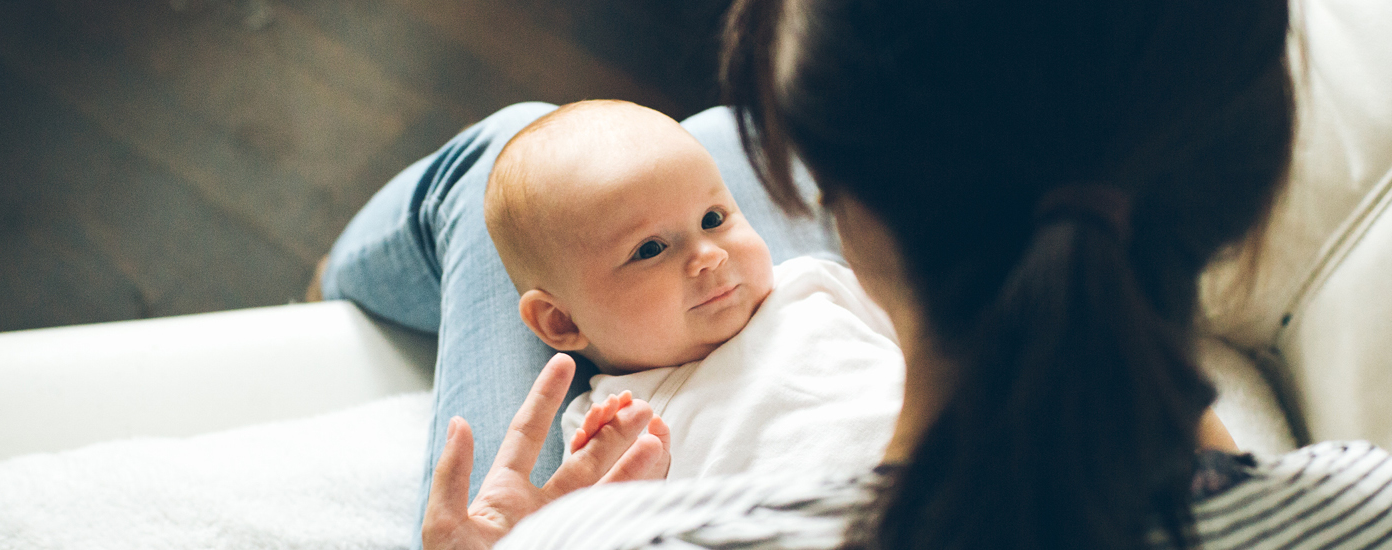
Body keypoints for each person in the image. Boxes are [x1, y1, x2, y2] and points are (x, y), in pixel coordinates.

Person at [325, 0, 1392, 548]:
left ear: (829, 205)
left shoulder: (614, 531)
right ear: (1248, 186)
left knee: (501, 151)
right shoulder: (1362, 508)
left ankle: (340, 278)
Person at [482, 99, 904, 479]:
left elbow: (935, 346)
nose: (709, 255)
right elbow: (609, 528)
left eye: (714, 218)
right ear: (560, 320)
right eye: (650, 249)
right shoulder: (614, 422)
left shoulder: (811, 285)